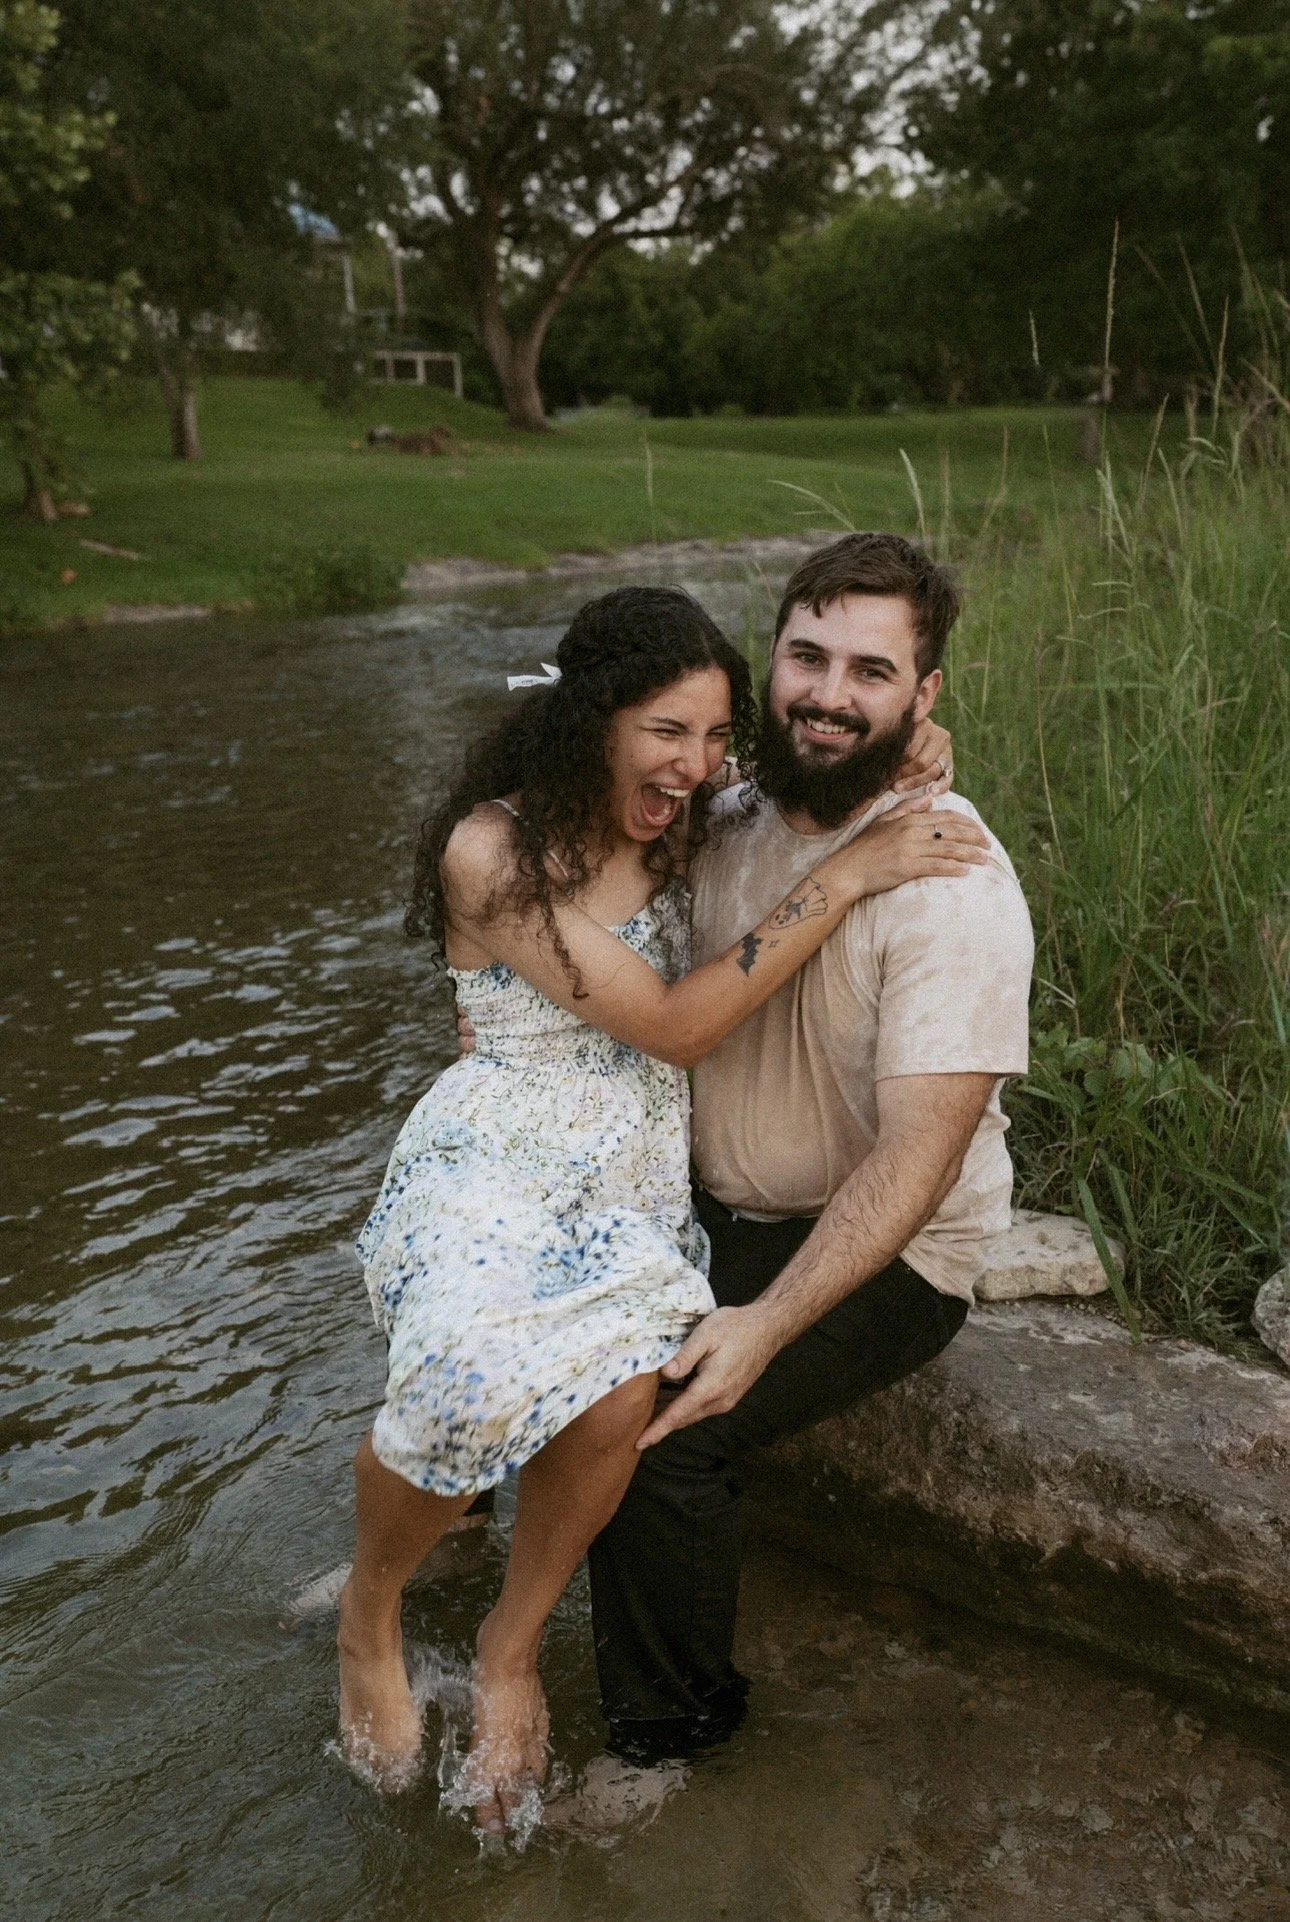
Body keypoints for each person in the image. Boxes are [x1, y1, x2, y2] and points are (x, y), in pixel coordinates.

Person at [339, 583, 989, 1830]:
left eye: (710, 738)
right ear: (593, 719)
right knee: (465, 1378)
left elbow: (812, 770)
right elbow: (678, 1023)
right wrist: (849, 875)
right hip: (501, 1148)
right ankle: (370, 1610)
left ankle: (510, 1644)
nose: (692, 767)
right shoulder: (493, 849)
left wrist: (911, 746)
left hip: (634, 1163)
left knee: (626, 1390)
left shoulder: (695, 814)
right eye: (663, 732)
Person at [585, 533, 1036, 1765]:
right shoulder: (717, 808)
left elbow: (919, 1161)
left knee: (663, 1426)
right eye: (809, 656)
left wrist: (765, 1324)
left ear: (924, 697)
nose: (831, 695)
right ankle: (436, 1519)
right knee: (496, 1270)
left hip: (890, 1247)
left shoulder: (954, 882)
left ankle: (672, 1744)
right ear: (767, 656)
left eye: (873, 673)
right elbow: (583, 722)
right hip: (712, 1206)